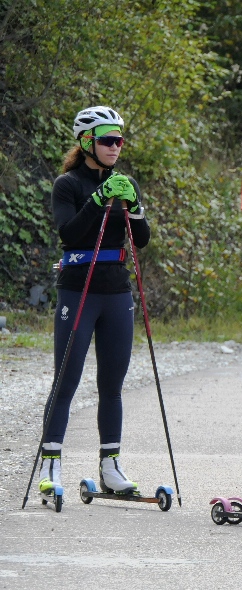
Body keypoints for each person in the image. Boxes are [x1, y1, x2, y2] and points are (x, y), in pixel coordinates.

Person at [40, 106, 150, 497]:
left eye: (119, 140)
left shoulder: (126, 183)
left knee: (113, 383)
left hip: (116, 290)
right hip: (78, 288)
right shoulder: (68, 184)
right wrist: (99, 199)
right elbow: (70, 233)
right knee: (67, 378)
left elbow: (141, 241)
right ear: (87, 141)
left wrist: (133, 207)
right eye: (107, 140)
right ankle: (51, 465)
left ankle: (110, 466)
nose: (115, 146)